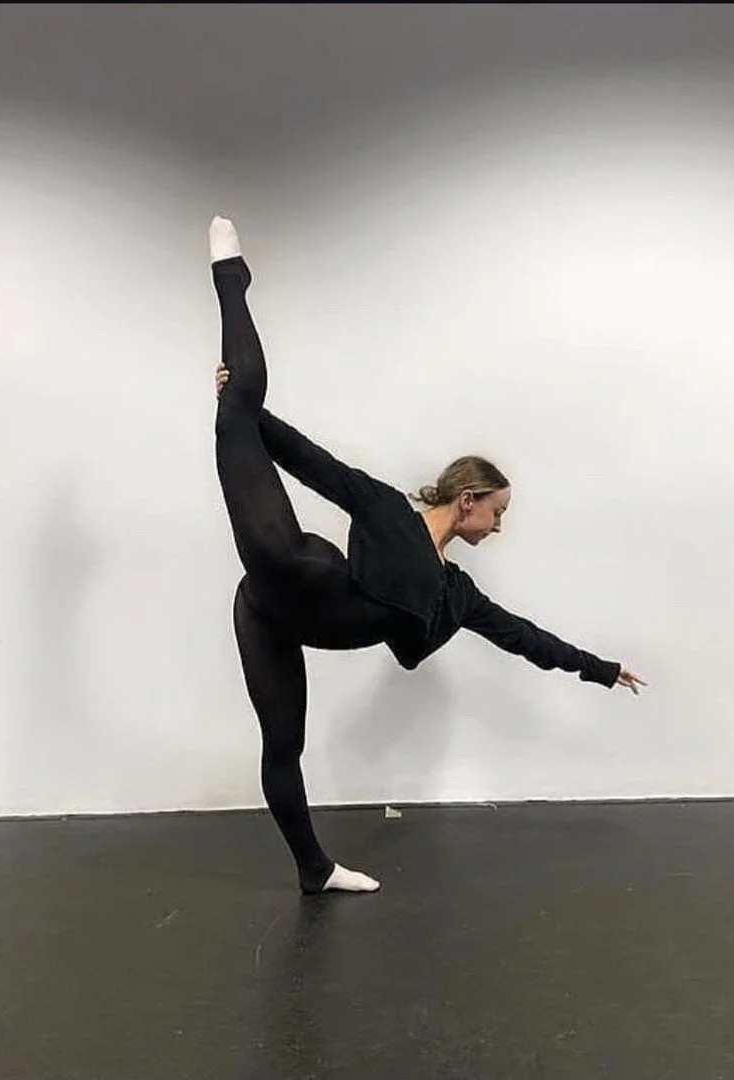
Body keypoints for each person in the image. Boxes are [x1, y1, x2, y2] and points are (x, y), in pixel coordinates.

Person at [208, 216, 645, 895]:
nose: (498, 527)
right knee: (239, 400)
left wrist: (600, 668)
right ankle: (231, 279)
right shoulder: (388, 511)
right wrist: (247, 411)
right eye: (497, 512)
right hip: (282, 570)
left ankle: (315, 873)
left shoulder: (456, 595)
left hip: (275, 621)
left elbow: (523, 639)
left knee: (282, 748)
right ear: (468, 499)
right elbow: (311, 463)